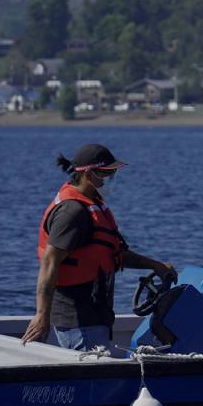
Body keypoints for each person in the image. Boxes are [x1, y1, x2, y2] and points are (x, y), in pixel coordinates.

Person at [22, 143, 176, 350]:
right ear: (87, 173)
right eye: (105, 172)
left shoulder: (92, 204)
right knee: (91, 378)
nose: (109, 178)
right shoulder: (72, 212)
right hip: (77, 319)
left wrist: (155, 265)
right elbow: (50, 263)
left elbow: (111, 253)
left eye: (112, 172)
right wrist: (41, 315)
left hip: (95, 315)